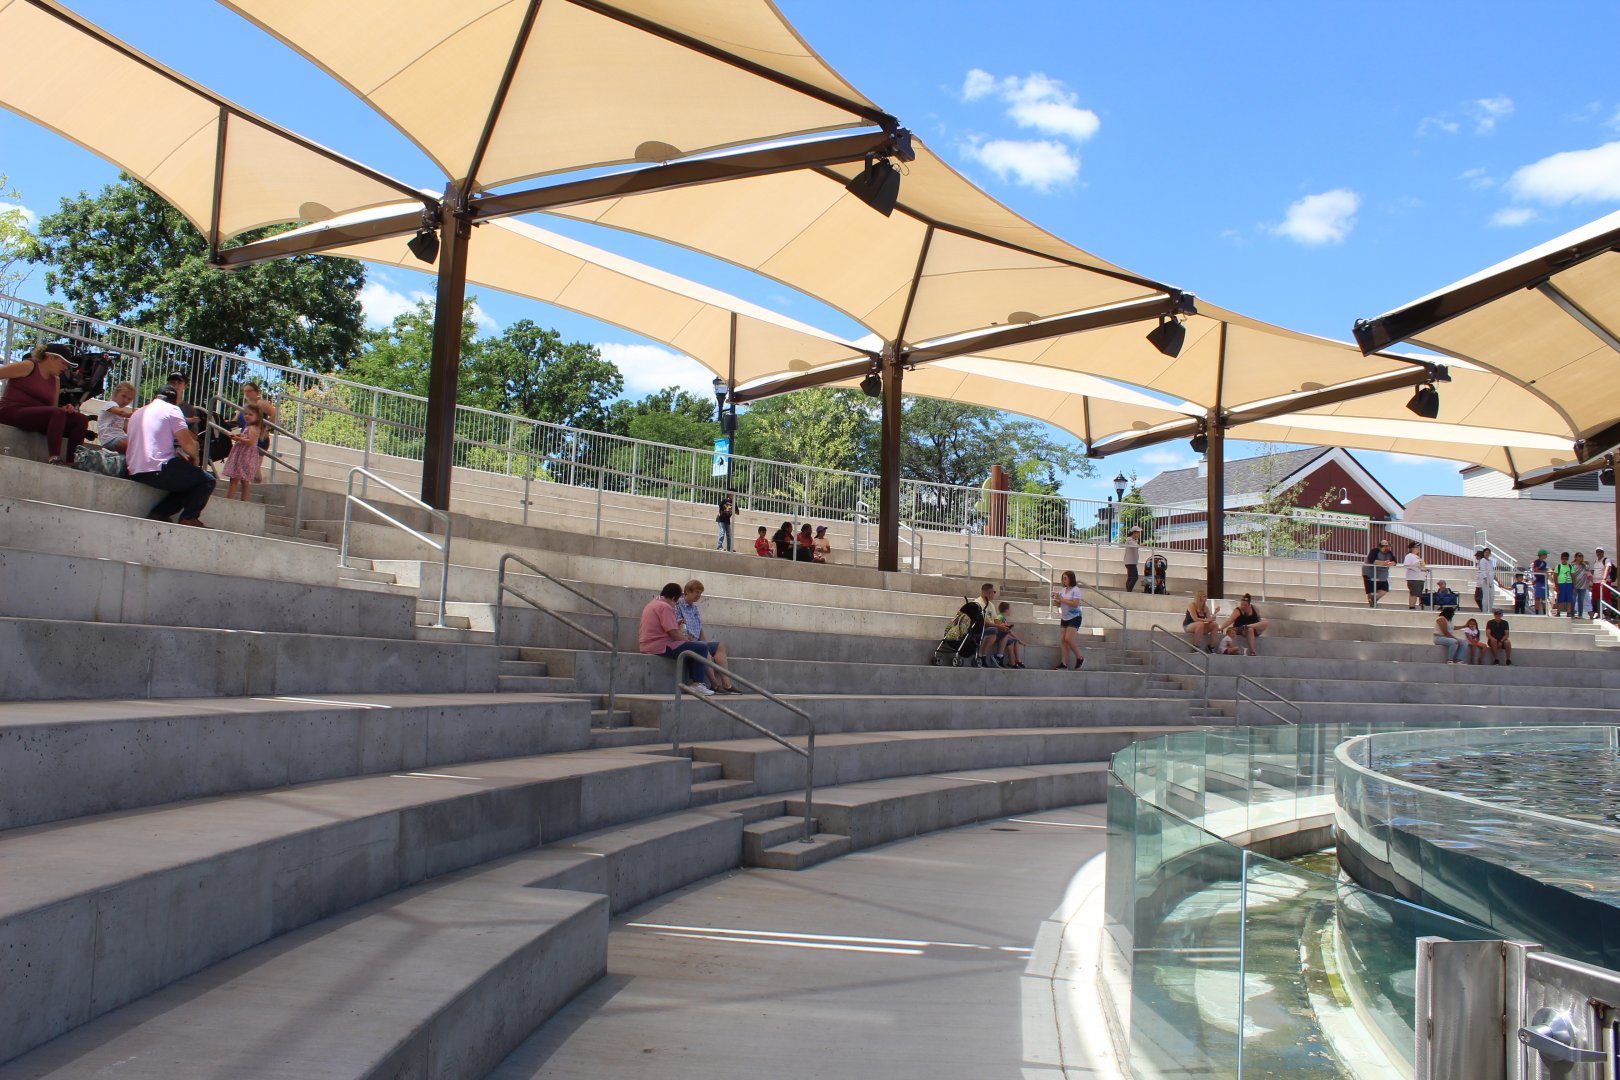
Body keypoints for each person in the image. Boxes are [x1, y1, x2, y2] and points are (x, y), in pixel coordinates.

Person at [125, 386, 215, 526]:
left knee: (188, 481)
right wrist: (196, 456)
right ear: (175, 400)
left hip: (134, 469)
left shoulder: (138, 412)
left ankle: (159, 514)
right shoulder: (172, 410)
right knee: (207, 480)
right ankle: (189, 517)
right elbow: (188, 445)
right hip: (157, 468)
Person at [0, 342, 90, 466]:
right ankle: (54, 458)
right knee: (57, 413)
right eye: (63, 363)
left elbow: (51, 410)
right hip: (11, 411)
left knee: (80, 419)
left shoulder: (56, 380)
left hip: (34, 417)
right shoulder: (28, 365)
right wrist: (58, 412)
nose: (65, 368)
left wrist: (64, 409)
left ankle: (73, 462)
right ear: (50, 357)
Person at [638, 582, 715, 695]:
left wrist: (677, 622)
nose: (676, 604)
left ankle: (696, 683)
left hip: (647, 644)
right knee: (701, 647)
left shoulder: (653, 603)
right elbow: (673, 633)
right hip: (660, 645)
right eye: (677, 600)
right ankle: (697, 683)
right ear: (674, 598)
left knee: (693, 649)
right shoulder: (665, 607)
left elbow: (663, 626)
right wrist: (688, 640)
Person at [674, 580, 738, 693]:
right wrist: (703, 646)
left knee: (720, 645)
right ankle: (714, 684)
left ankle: (727, 684)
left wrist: (705, 643)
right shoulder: (678, 606)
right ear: (687, 592)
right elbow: (678, 628)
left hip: (696, 641)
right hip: (685, 641)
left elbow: (700, 628)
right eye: (696, 592)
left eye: (700, 593)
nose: (698, 595)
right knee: (702, 648)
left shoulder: (695, 608)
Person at [222, 403, 267, 502]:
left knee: (242, 480)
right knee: (238, 479)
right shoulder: (249, 427)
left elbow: (250, 442)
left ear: (257, 417)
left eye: (250, 414)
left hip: (245, 455)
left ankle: (235, 499)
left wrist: (238, 438)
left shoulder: (253, 428)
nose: (247, 416)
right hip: (243, 454)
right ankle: (235, 499)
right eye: (245, 414)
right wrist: (240, 436)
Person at [239, 381, 276, 482]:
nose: (246, 393)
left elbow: (275, 413)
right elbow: (236, 421)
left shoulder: (260, 403)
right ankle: (252, 484)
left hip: (258, 438)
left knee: (254, 466)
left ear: (256, 392)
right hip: (246, 437)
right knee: (251, 466)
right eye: (244, 391)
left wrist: (267, 428)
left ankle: (252, 486)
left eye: (249, 391)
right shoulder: (246, 406)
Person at [1050, 571, 1085, 670]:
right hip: (1065, 617)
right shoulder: (1063, 590)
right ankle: (1063, 663)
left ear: (1071, 579)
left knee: (1068, 638)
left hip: (1075, 616)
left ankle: (1080, 658)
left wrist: (1061, 599)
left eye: (1065, 578)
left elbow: (1075, 604)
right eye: (1062, 578)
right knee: (1063, 640)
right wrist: (1056, 600)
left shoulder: (1076, 590)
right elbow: (1059, 605)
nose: (1063, 580)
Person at [96, 380, 137, 454]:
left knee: (137, 445)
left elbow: (127, 429)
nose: (126, 400)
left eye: (129, 399)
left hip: (119, 437)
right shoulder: (110, 404)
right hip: (110, 438)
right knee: (132, 448)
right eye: (123, 396)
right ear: (116, 393)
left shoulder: (122, 416)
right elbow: (121, 412)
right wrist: (133, 414)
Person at [1183, 588, 1219, 653]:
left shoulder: (1206, 608)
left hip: (1200, 627)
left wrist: (1214, 615)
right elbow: (1195, 619)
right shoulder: (1192, 605)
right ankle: (1195, 646)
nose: (1206, 598)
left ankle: (1211, 647)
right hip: (1189, 625)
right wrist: (1207, 619)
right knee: (1200, 623)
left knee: (1215, 625)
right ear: (1199, 597)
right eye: (1204, 596)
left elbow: (1209, 620)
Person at [1363, 538, 1396, 607]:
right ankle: (1372, 604)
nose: (1387, 548)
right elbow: (1373, 561)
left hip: (1382, 575)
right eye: (1385, 546)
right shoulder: (1374, 551)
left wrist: (1390, 563)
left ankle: (1373, 600)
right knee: (1371, 591)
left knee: (1384, 589)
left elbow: (1395, 562)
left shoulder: (1389, 553)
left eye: (1388, 546)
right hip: (1370, 573)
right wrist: (1384, 563)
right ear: (1380, 546)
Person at [996, 601, 1026, 668]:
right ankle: (1012, 662)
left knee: (1015, 641)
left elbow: (1009, 631)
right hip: (1001, 637)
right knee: (1011, 642)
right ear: (1006, 610)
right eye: (1009, 609)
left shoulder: (1003, 618)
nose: (1010, 611)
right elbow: (998, 625)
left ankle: (1016, 660)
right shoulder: (999, 617)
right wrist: (1020, 640)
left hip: (1004, 636)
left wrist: (1019, 640)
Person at [1402, 541, 1428, 610]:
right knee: (1413, 593)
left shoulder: (1417, 557)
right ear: (1412, 548)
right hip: (1414, 578)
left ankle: (1413, 606)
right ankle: (1412, 606)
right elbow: (1407, 565)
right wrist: (1416, 566)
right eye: (1416, 547)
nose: (1418, 548)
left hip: (1420, 578)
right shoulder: (1409, 556)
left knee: (1416, 593)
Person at [1592, 547, 1614, 620]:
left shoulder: (1606, 560)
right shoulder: (1595, 561)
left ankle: (1608, 615)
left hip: (1604, 582)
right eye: (1597, 552)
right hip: (1596, 582)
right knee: (1597, 599)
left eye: (1600, 552)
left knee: (1607, 598)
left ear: (1603, 552)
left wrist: (1604, 579)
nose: (1599, 553)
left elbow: (1607, 568)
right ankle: (1599, 614)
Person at [1474, 547, 1497, 613]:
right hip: (1485, 581)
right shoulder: (1482, 560)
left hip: (1490, 580)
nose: (1487, 554)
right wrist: (1487, 581)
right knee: (1485, 596)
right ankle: (1484, 611)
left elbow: (1492, 572)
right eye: (1486, 552)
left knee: (1492, 596)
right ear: (1483, 553)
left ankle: (1489, 609)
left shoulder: (1490, 561)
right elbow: (1483, 571)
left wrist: (1498, 581)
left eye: (1488, 553)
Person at [1554, 551, 1575, 618]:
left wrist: (1573, 585)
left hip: (1569, 584)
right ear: (1561, 558)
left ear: (1567, 559)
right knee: (1560, 599)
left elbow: (1573, 576)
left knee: (1569, 599)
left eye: (1566, 558)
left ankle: (1568, 612)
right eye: (1563, 558)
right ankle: (1558, 611)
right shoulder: (1558, 566)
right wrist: (1556, 585)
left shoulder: (1570, 567)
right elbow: (1555, 576)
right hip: (1561, 584)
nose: (1564, 560)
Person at [1572, 553, 1592, 619]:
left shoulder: (1584, 565)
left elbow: (1589, 572)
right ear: (1576, 557)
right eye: (1579, 556)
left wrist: (1586, 563)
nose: (1581, 558)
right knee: (1573, 600)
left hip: (1583, 586)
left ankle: (1580, 615)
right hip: (1574, 585)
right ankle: (1572, 614)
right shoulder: (1572, 565)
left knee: (1581, 600)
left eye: (1582, 556)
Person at [1123, 525, 1142, 593]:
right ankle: (1129, 592)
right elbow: (1134, 545)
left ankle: (1128, 591)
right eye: (1138, 532)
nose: (1139, 534)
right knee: (1135, 577)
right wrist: (1139, 545)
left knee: (1131, 577)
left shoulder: (1133, 540)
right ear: (1134, 533)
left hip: (1131, 562)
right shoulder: (1130, 540)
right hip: (1130, 562)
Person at [1532, 549, 1550, 615]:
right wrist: (1544, 572)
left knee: (1544, 597)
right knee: (1537, 597)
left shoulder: (1545, 563)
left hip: (1544, 581)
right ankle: (1536, 612)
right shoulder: (1537, 562)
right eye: (1545, 555)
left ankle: (1545, 611)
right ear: (1542, 555)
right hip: (1539, 581)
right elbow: (1536, 570)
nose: (1546, 556)